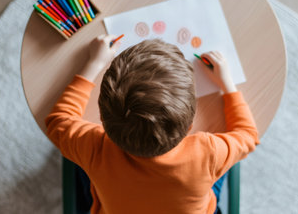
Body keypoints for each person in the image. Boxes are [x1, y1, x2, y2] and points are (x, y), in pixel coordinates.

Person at [45, 35, 259, 214]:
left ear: (101, 118)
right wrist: (227, 84)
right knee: (224, 163)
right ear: (189, 127)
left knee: (79, 163)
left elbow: (58, 122)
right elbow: (248, 136)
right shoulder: (207, 154)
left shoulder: (95, 148)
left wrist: (93, 64)